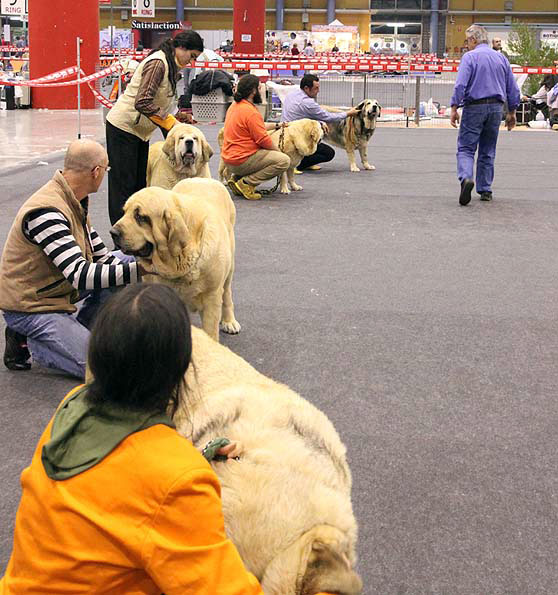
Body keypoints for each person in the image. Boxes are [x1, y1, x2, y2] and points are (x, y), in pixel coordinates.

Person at [0, 283, 264, 595]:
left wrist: (195, 459)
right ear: (181, 369)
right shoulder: (178, 480)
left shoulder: (71, 408)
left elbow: (119, 484)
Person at [0, 140, 146, 379]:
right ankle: (29, 340)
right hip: (32, 306)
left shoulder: (74, 200)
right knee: (105, 371)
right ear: (96, 172)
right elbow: (79, 275)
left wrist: (146, 257)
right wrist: (143, 269)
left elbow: (104, 258)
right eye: (106, 170)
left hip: (56, 291)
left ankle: (77, 333)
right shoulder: (47, 211)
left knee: (121, 262)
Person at [106, 30, 204, 224]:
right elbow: (142, 101)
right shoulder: (158, 63)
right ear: (181, 47)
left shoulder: (170, 65)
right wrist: (169, 123)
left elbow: (160, 102)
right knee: (123, 187)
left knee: (138, 186)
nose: (191, 62)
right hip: (123, 129)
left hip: (140, 133)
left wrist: (180, 117)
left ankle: (136, 234)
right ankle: (121, 241)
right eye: (191, 56)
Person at [450, 25, 520, 206]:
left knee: (466, 148)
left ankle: (466, 178)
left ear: (473, 40)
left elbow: (460, 85)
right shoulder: (501, 58)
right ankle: (486, 189)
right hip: (496, 109)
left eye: (467, 41)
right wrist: (512, 112)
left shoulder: (470, 57)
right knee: (488, 149)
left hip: (474, 107)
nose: (467, 45)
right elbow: (512, 88)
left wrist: (454, 107)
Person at [221, 74, 290, 200]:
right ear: (253, 91)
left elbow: (258, 126)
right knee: (283, 160)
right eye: (259, 88)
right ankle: (247, 183)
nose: (261, 91)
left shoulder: (235, 106)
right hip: (241, 160)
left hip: (229, 160)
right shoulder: (251, 112)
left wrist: (277, 125)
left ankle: (236, 179)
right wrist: (277, 151)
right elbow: (263, 139)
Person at [281, 73, 359, 172]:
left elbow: (305, 115)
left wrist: (320, 121)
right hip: (296, 138)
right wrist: (348, 113)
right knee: (328, 153)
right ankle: (297, 164)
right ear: (306, 88)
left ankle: (300, 160)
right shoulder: (308, 103)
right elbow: (328, 116)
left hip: (284, 133)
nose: (318, 91)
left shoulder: (293, 94)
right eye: (316, 88)